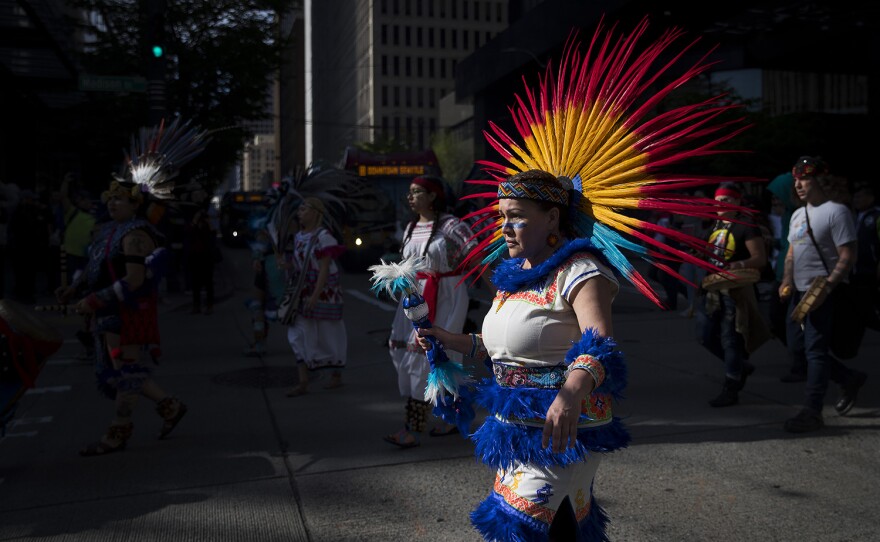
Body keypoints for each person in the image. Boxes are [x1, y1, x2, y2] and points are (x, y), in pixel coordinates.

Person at [399, 19, 747, 538]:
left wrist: (571, 390)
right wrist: (450, 340)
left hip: (562, 430)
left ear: (553, 219)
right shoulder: (512, 277)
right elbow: (494, 348)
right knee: (563, 530)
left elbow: (600, 342)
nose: (505, 226)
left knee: (517, 529)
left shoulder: (581, 270)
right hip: (512, 431)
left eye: (516, 215)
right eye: (501, 216)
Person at [56, 180, 188, 455]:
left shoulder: (135, 235)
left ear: (135, 204)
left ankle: (118, 432)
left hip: (127, 314)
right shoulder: (110, 231)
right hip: (109, 313)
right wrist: (73, 289)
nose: (112, 203)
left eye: (120, 199)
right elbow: (97, 268)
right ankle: (171, 407)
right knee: (122, 371)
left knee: (127, 372)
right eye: (110, 198)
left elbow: (135, 279)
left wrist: (92, 300)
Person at [383, 175, 477, 448]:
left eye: (417, 192)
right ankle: (453, 416)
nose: (410, 197)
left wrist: (499, 292)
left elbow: (476, 258)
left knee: (432, 355)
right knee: (410, 353)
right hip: (413, 295)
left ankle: (412, 428)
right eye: (409, 193)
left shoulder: (452, 226)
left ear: (433, 196)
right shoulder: (410, 227)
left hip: (446, 294)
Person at [779, 156, 867, 433]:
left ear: (820, 180)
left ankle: (812, 411)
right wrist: (786, 281)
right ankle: (848, 377)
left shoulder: (836, 211)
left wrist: (828, 286)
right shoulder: (798, 214)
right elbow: (792, 252)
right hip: (799, 292)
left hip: (822, 292)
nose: (799, 184)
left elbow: (848, 254)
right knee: (798, 348)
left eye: (803, 178)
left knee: (814, 351)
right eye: (796, 180)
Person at [696, 183, 770, 407]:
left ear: (737, 202)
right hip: (713, 292)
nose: (721, 204)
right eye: (718, 200)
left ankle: (732, 385)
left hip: (735, 292)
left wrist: (736, 264)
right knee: (706, 336)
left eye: (727, 200)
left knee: (731, 340)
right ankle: (739, 366)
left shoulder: (746, 226)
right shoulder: (715, 225)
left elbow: (759, 258)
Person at [284, 197, 347, 396]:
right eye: (299, 209)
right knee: (298, 334)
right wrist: (284, 265)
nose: (299, 212)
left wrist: (315, 295)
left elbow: (324, 269)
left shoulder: (323, 237)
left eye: (304, 209)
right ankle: (303, 381)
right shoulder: (298, 237)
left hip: (323, 293)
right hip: (302, 293)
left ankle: (335, 374)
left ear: (315, 213)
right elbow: (297, 266)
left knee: (328, 334)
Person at [850, 180, 880, 331]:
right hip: (857, 268)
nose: (856, 200)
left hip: (871, 268)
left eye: (860, 197)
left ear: (870, 198)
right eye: (855, 197)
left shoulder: (876, 216)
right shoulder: (854, 216)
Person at [185, 207, 219, 315]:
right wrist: (195, 222)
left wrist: (208, 223)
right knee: (196, 283)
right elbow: (189, 234)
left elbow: (213, 235)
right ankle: (197, 305)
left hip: (206, 257)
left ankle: (209, 305)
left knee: (208, 283)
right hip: (195, 256)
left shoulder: (207, 226)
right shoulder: (193, 226)